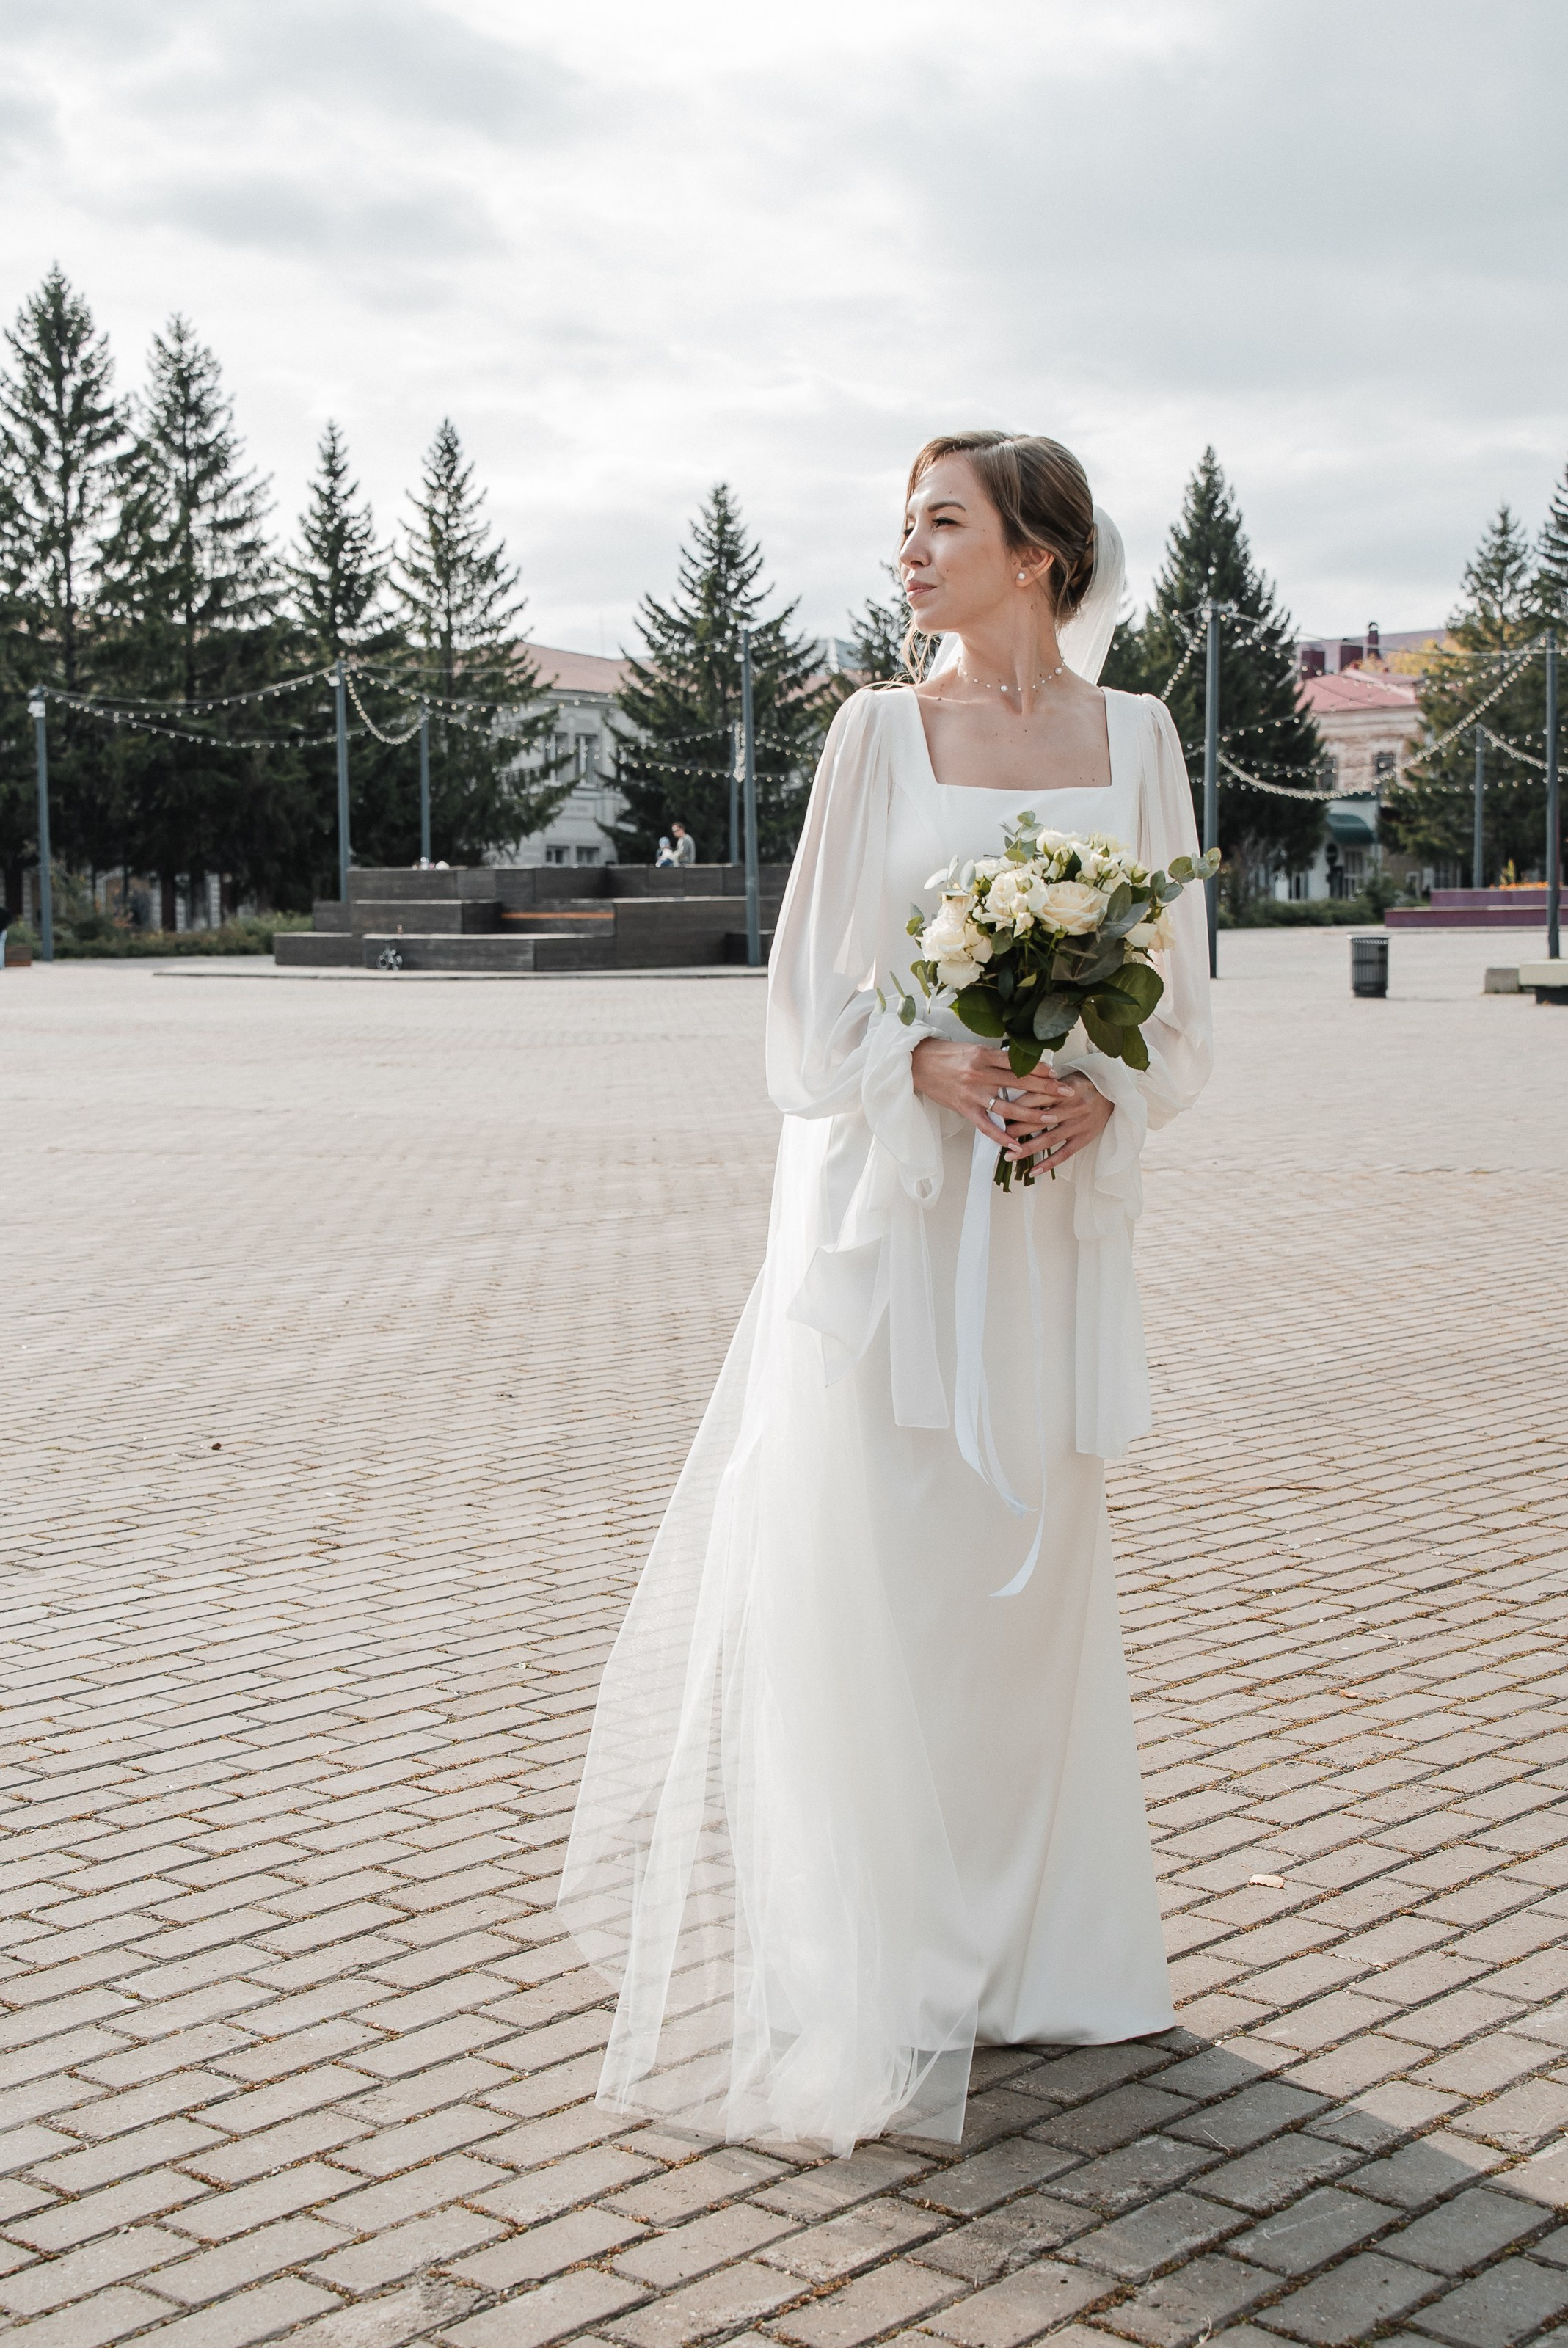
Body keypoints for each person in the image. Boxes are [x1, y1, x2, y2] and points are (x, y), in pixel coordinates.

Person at [561, 431, 1212, 2156]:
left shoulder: (1141, 738)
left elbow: (1180, 998)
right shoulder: (873, 731)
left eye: (941, 523)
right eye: (902, 527)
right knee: (902, 1565)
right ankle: (891, 1952)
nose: (907, 552)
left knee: (1032, 1573)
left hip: (1047, 1228)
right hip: (907, 1223)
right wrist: (922, 1062)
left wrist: (1105, 1091)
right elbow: (802, 998)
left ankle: (1050, 1954)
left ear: (1037, 553)